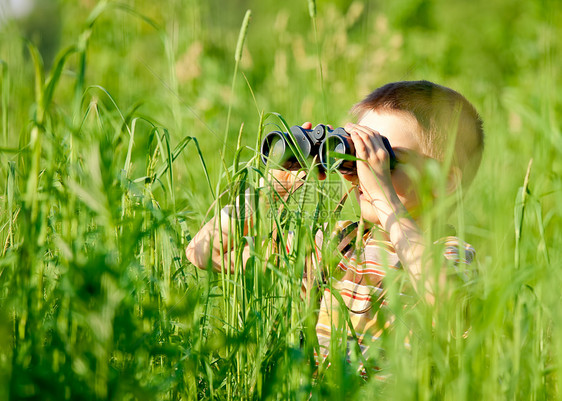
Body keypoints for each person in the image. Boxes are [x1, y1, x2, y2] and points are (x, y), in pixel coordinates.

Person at [186, 80, 484, 375]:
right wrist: (270, 189)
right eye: (358, 155)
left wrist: (385, 199)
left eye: (384, 158)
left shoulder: (451, 254)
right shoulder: (338, 245)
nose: (365, 170)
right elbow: (202, 252)